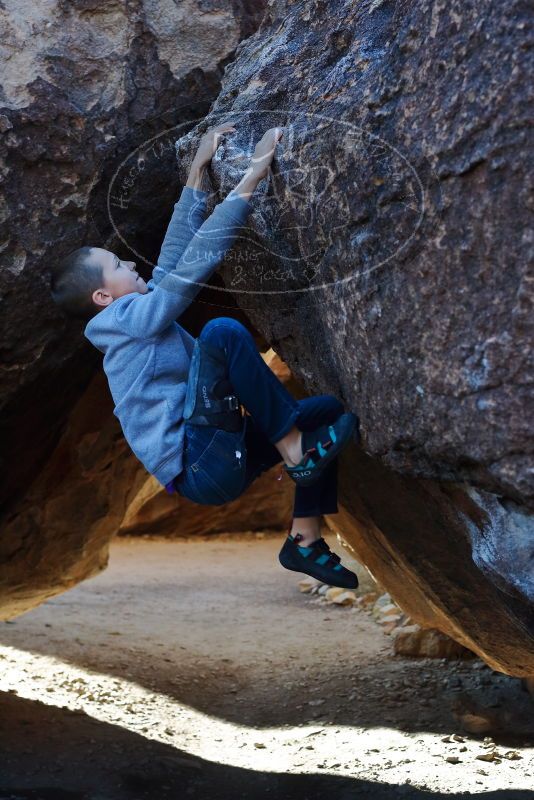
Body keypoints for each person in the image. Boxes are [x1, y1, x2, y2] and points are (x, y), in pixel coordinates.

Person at [50, 124, 360, 589]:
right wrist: (250, 180)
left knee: (326, 414)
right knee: (221, 332)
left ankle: (305, 540)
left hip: (217, 456)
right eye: (117, 265)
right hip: (201, 463)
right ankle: (295, 450)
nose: (130, 264)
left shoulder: (134, 316)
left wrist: (197, 173)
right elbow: (192, 267)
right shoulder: (128, 323)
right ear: (102, 297)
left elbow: (174, 257)